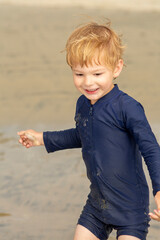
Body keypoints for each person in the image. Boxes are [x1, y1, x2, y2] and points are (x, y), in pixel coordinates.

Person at [18, 21, 160, 240]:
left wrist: (159, 189)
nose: (88, 83)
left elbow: (151, 149)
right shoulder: (83, 104)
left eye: (97, 74)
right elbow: (83, 135)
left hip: (130, 208)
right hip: (97, 204)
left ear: (117, 68)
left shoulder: (127, 108)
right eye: (79, 74)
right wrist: (42, 139)